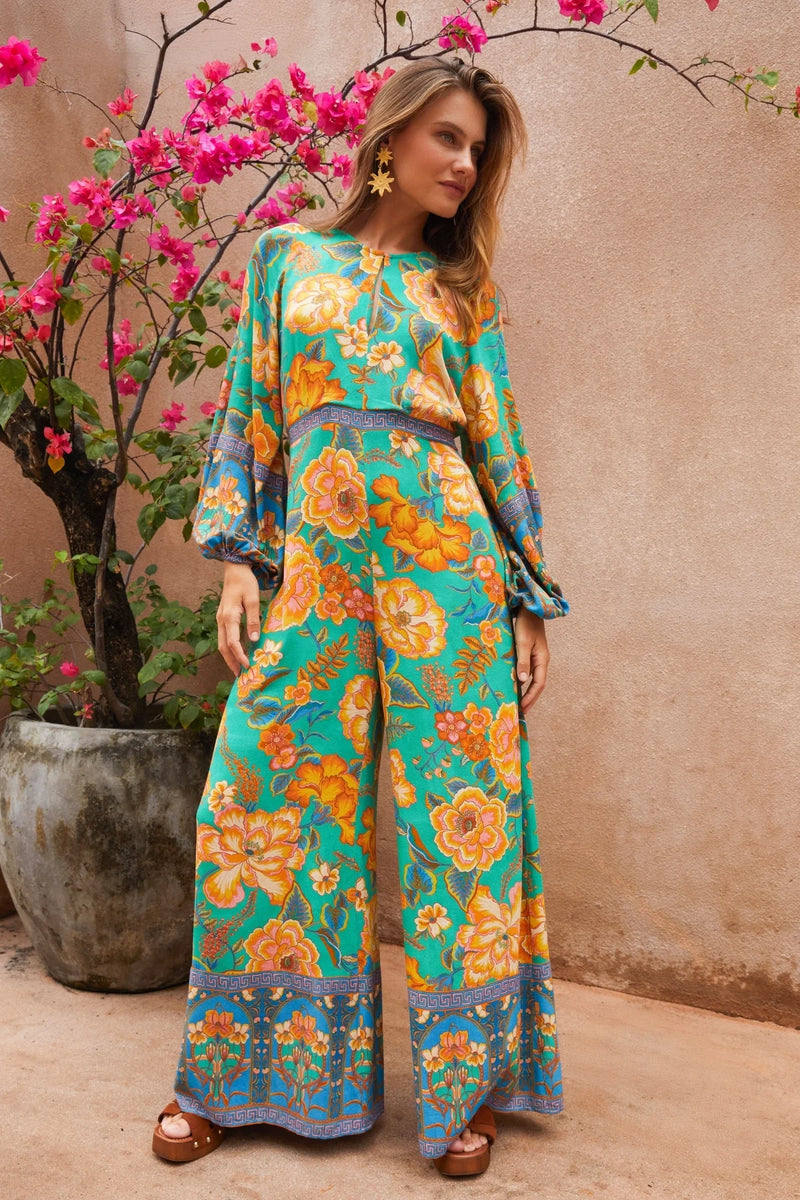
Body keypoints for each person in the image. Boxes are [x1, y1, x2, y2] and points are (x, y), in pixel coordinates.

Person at [151, 55, 569, 1179]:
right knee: (264, 798)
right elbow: (249, 415)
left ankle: (463, 1093)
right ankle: (239, 1077)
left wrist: (526, 598)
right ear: (389, 139)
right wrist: (238, 563)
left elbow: (499, 442)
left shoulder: (461, 287)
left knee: (457, 817)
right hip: (319, 571)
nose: (464, 163)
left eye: (476, 148)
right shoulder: (289, 259)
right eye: (446, 138)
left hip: (449, 573)